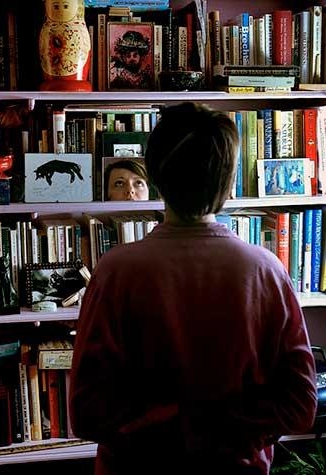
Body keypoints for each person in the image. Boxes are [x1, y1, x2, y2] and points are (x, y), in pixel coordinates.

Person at [69, 102, 317, 475]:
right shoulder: (267, 271)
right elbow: (300, 407)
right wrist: (227, 428)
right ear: (229, 181)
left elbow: (86, 414)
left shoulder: (115, 272)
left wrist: (164, 422)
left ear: (154, 175)